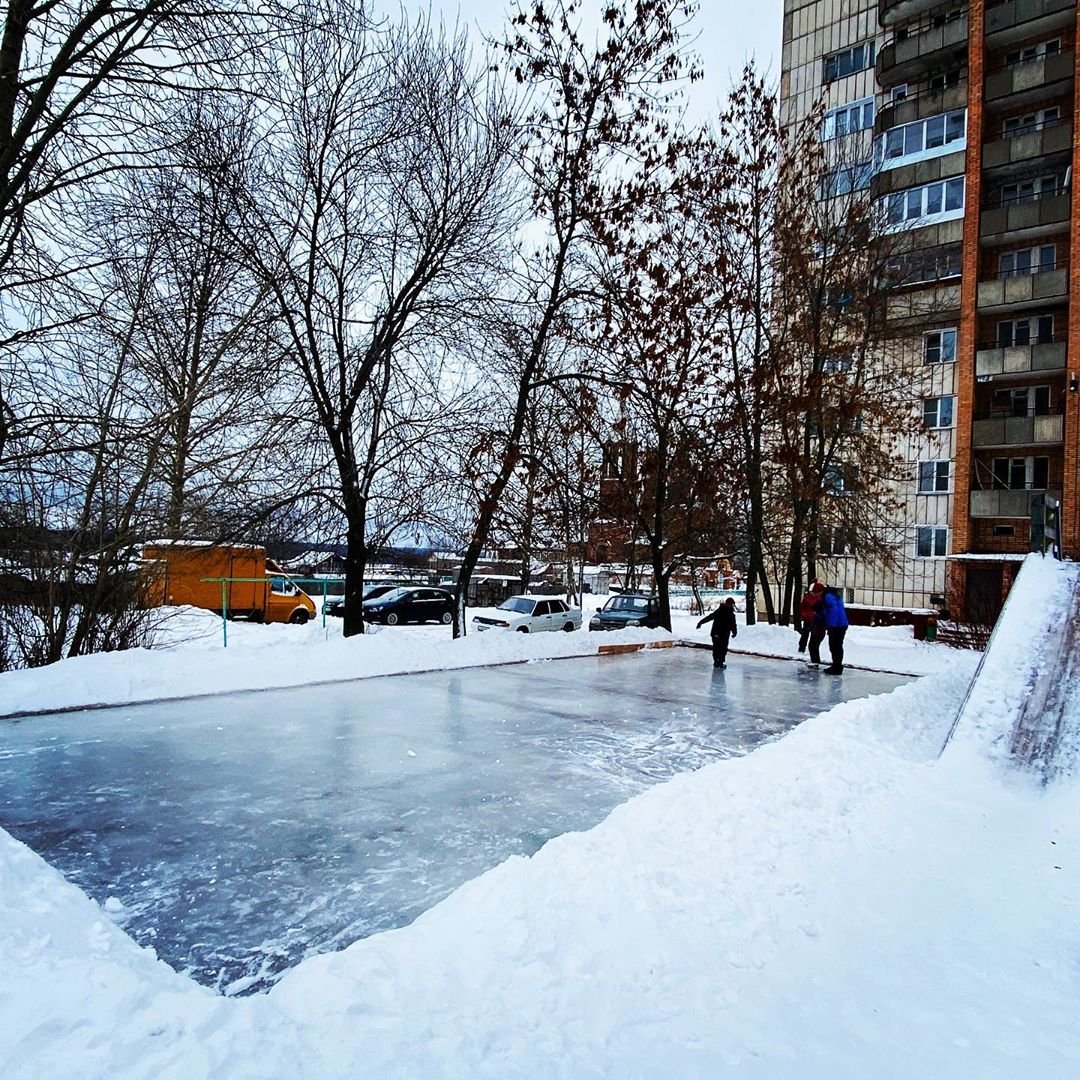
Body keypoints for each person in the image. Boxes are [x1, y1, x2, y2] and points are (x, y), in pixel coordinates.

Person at [697, 597, 738, 669]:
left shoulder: (719, 611)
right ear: (731, 604)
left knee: (716, 647)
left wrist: (701, 622)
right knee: (723, 648)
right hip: (724, 634)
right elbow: (733, 625)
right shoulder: (730, 613)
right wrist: (734, 632)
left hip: (716, 633)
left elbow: (710, 617)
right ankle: (720, 662)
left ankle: (716, 661)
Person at [820, 586, 849, 675]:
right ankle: (837, 666)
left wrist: (831, 626)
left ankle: (836, 667)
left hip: (836, 625)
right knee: (838, 646)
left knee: (834, 646)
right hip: (842, 624)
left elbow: (834, 610)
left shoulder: (828, 597)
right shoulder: (836, 596)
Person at [797, 582, 825, 653]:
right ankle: (802, 648)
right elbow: (802, 607)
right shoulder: (807, 597)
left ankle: (811, 649)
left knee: (813, 635)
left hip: (815, 620)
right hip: (807, 619)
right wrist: (804, 614)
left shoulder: (820, 598)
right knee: (805, 634)